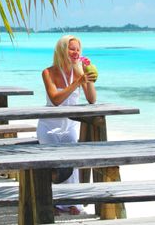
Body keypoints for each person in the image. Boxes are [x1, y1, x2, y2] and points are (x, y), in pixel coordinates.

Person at [37, 35, 97, 216]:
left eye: (78, 49)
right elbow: (56, 99)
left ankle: (72, 202)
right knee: (51, 165)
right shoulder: (48, 72)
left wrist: (89, 79)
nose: (76, 52)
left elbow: (92, 99)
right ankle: (52, 202)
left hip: (70, 126)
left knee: (72, 165)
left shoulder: (78, 72)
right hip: (49, 126)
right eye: (72, 48)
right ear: (62, 50)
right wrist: (76, 83)